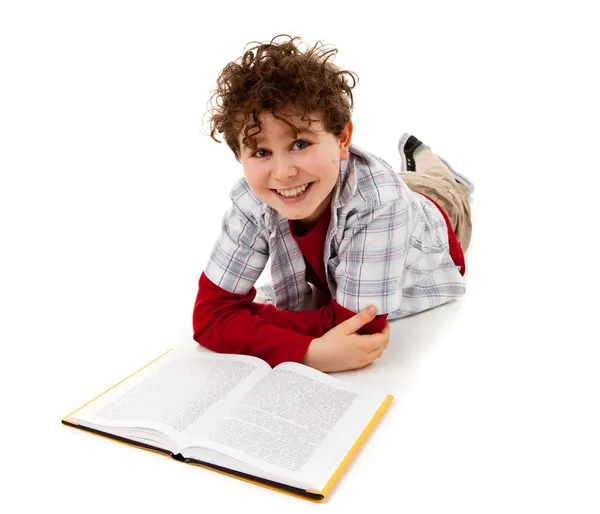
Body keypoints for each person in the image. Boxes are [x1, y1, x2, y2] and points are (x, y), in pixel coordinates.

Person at [192, 35, 473, 373]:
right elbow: (209, 318)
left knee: (441, 185)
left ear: (342, 139)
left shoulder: (382, 202)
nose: (283, 173)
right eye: (261, 151)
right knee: (399, 181)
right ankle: (415, 166)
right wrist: (309, 351)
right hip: (354, 184)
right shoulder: (255, 196)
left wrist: (244, 319)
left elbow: (359, 330)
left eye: (299, 143)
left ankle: (434, 164)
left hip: (434, 216)